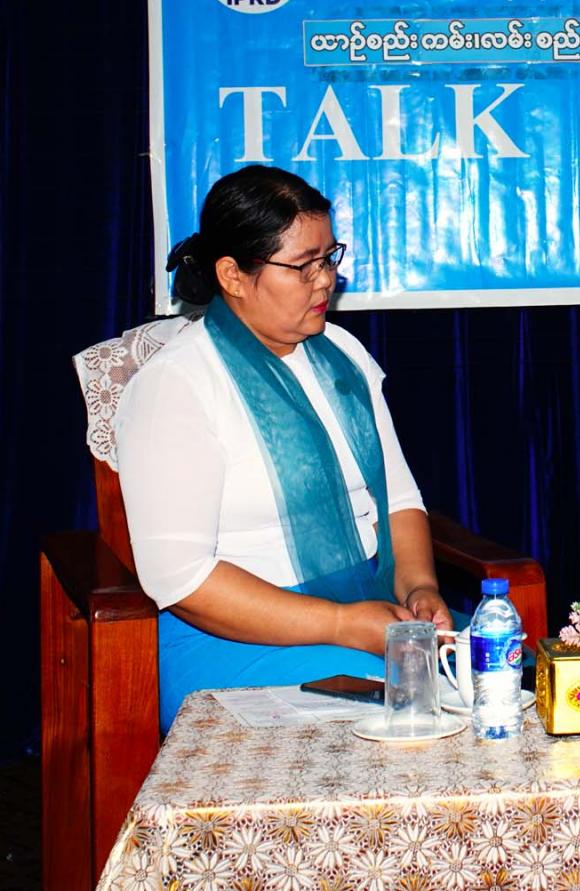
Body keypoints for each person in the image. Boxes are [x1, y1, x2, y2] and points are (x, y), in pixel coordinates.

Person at [115, 164, 452, 731]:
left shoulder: (343, 355)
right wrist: (343, 624)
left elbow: (397, 499)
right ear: (233, 275)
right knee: (403, 714)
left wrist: (419, 588)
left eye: (329, 258)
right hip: (230, 636)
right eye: (303, 265)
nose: (325, 281)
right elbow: (182, 579)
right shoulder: (178, 384)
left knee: (497, 682)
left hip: (364, 610)